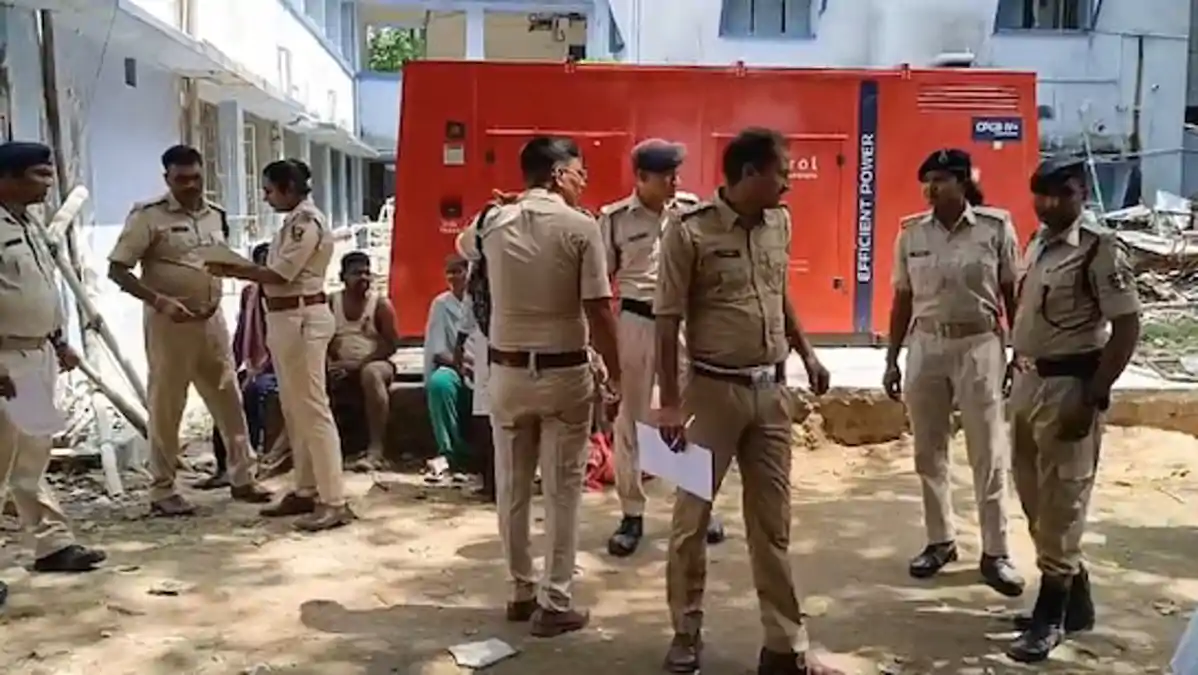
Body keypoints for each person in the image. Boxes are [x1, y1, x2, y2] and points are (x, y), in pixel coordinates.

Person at [655, 127, 837, 675]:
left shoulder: (780, 222)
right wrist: (669, 405)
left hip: (770, 395)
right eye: (782, 172)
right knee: (690, 521)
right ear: (751, 173)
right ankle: (685, 633)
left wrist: (807, 354)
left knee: (772, 524)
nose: (789, 183)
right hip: (707, 395)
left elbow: (779, 293)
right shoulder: (688, 231)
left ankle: (783, 645)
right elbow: (667, 321)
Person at [457, 136, 621, 638]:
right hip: (564, 374)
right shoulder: (581, 227)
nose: (583, 182)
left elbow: (463, 245)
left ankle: (519, 591)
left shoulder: (490, 222)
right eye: (579, 172)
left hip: (506, 374)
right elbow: (599, 309)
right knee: (562, 492)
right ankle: (555, 601)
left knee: (512, 488)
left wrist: (506, 207)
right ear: (557, 174)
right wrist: (617, 374)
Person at [1005, 155, 1140, 663]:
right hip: (1027, 384)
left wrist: (1095, 395)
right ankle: (1076, 601)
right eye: (1041, 193)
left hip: (1070, 387)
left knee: (1062, 501)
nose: (1048, 203)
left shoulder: (1099, 249)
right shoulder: (1038, 242)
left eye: (1061, 193)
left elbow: (1126, 327)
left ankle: (1051, 615)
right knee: (1034, 499)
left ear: (1082, 193)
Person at [881, 148, 1024, 597]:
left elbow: (1011, 293)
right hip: (926, 345)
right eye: (927, 181)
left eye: (941, 180)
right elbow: (902, 298)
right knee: (929, 450)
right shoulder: (911, 233)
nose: (931, 188)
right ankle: (940, 540)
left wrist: (1019, 351)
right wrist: (892, 358)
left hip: (980, 344)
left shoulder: (994, 228)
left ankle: (996, 551)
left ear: (963, 182)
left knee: (988, 449)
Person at [108, 144, 272, 516]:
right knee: (168, 405)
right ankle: (162, 490)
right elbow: (118, 270)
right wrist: (158, 300)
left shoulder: (215, 214)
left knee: (229, 398)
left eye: (196, 177)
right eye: (181, 179)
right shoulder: (148, 216)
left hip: (211, 321)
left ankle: (243, 477)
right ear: (167, 178)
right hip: (169, 325)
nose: (191, 185)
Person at [206, 158, 350, 532]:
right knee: (294, 409)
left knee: (313, 410)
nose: (267, 198)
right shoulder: (292, 223)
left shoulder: (306, 223)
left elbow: (282, 273)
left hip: (302, 318)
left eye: (270, 190)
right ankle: (306, 488)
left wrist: (232, 268)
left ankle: (334, 499)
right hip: (286, 319)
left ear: (288, 188)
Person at [598, 139, 726, 557]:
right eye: (667, 175)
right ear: (641, 178)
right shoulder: (615, 219)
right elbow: (600, 281)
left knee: (690, 415)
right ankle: (631, 513)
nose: (675, 181)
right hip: (636, 322)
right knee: (632, 420)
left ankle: (697, 506)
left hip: (683, 326)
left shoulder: (689, 211)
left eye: (676, 174)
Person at [0, 141, 107, 608]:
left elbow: (39, 288)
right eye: (39, 175)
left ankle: (51, 545)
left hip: (36, 355)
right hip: (5, 360)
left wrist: (59, 340)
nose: (48, 183)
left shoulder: (28, 224)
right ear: (7, 178)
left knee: (31, 457)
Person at [195, 242, 277, 489]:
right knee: (225, 392)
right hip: (252, 366)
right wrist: (232, 364)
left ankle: (250, 464)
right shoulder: (249, 293)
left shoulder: (282, 294)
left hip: (276, 366)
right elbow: (243, 332)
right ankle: (224, 467)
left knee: (252, 392)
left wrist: (259, 370)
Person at [326, 250, 400, 472]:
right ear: (343, 277)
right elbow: (322, 339)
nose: (364, 278)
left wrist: (359, 364)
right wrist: (331, 362)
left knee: (371, 374)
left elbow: (391, 345)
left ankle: (376, 450)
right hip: (340, 363)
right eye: (357, 273)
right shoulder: (331, 303)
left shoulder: (380, 305)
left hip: (375, 362)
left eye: (367, 273)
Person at [421, 254, 473, 482]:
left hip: (488, 368)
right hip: (456, 366)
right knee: (440, 383)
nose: (453, 277)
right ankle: (450, 451)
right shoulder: (442, 305)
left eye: (458, 271)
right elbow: (439, 350)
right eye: (449, 272)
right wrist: (461, 366)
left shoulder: (486, 301)